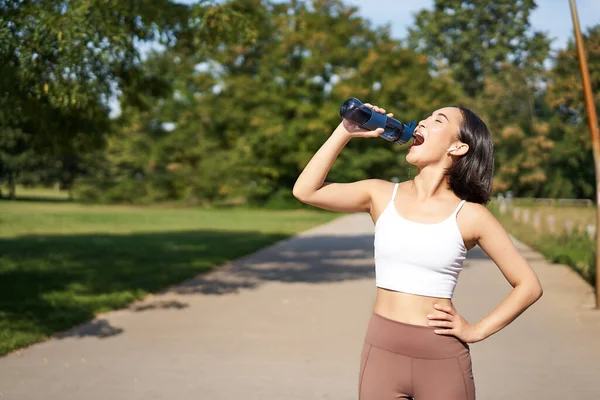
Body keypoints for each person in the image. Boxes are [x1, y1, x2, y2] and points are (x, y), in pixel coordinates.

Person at [292, 102, 544, 400]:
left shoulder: (471, 216)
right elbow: (305, 191)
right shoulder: (381, 193)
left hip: (442, 359)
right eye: (425, 117)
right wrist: (344, 131)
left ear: (458, 148)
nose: (422, 122)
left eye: (437, 120)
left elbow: (528, 286)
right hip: (382, 352)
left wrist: (476, 331)